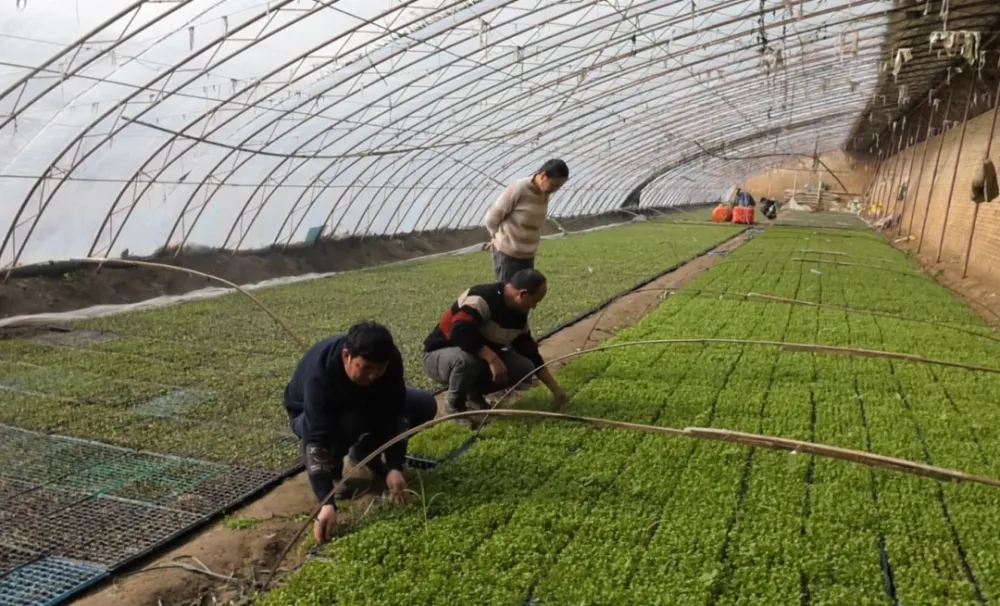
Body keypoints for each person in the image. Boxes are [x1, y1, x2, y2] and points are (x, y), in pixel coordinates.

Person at [283, 322, 437, 544]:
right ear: (347, 355)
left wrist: (394, 464)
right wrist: (325, 501)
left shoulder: (389, 360)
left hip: (360, 403)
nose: (372, 376)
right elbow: (315, 440)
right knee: (349, 422)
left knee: (423, 404)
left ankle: (365, 452)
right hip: (305, 415)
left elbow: (396, 410)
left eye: (378, 370)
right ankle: (334, 469)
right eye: (364, 368)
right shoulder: (321, 377)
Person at [422, 268, 566, 424]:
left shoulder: (518, 314)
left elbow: (530, 352)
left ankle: (474, 396)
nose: (534, 307)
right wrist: (492, 358)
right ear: (522, 294)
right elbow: (460, 332)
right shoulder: (481, 298)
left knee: (524, 367)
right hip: (440, 355)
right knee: (466, 361)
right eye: (535, 301)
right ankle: (454, 407)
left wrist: (556, 391)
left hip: (476, 357)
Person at [485, 159, 570, 283]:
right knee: (507, 294)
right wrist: (496, 237)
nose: (555, 189)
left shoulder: (543, 192)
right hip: (508, 254)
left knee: (525, 293)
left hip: (527, 254)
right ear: (542, 176)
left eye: (559, 186)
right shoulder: (519, 188)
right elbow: (491, 218)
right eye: (554, 185)